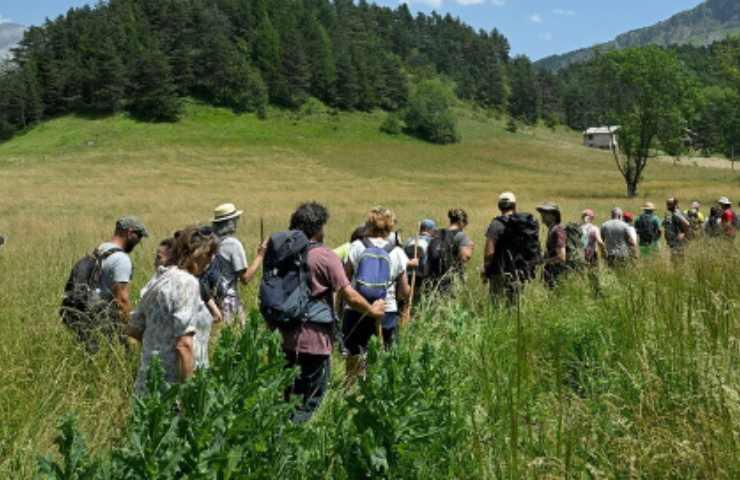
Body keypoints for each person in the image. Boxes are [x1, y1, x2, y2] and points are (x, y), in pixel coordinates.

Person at [275, 202, 385, 422]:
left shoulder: (283, 254)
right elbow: (350, 295)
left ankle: (281, 441)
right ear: (317, 228)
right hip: (314, 341)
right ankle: (296, 445)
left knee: (289, 398)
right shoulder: (325, 257)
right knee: (310, 403)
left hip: (286, 336)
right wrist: (372, 311)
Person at [126, 226, 218, 396]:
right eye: (210, 255)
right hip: (173, 386)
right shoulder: (187, 283)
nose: (211, 261)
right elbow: (184, 344)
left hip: (149, 380)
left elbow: (134, 328)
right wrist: (188, 393)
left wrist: (158, 347)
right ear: (198, 253)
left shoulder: (160, 278)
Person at [344, 207, 413, 369]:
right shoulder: (397, 252)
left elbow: (344, 279)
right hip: (386, 311)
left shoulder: (357, 246)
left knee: (354, 358)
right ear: (390, 228)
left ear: (368, 225)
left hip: (357, 309)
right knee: (383, 357)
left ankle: (351, 389)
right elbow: (404, 291)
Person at [211, 203, 265, 326]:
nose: (237, 222)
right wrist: (260, 255)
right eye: (235, 219)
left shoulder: (211, 242)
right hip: (228, 300)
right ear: (229, 222)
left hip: (212, 301)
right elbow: (245, 278)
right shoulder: (233, 244)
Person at [483, 192, 540, 303]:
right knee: (515, 305)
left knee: (497, 305)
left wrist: (486, 269)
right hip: (519, 271)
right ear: (514, 205)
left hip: (499, 272)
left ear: (499, 206)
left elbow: (489, 252)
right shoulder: (524, 224)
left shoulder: (496, 224)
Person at [427, 208, 474, 293]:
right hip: (451, 277)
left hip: (434, 276)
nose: (465, 225)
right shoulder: (461, 235)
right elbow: (464, 257)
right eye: (465, 223)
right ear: (460, 222)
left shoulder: (438, 233)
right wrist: (470, 248)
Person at [537, 202, 567, 288]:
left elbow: (561, 257)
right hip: (552, 274)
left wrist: (542, 261)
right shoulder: (552, 230)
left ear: (554, 216)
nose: (542, 214)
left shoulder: (557, 230)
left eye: (546, 212)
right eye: (542, 212)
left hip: (557, 276)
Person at [403, 219, 436, 295]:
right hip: (424, 275)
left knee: (408, 295)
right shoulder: (433, 241)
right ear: (430, 230)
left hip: (407, 273)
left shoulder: (409, 240)